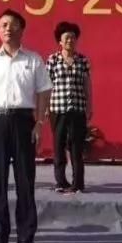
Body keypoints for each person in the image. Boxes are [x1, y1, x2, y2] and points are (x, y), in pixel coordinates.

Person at [0, 9, 52, 243]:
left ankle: (26, 235)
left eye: (13, 24)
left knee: (25, 180)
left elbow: (43, 92)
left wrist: (39, 123)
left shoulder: (33, 60)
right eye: (3, 24)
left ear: (21, 29)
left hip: (23, 121)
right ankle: (0, 234)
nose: (8, 28)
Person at [46, 21, 92, 194]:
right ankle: (60, 181)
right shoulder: (53, 60)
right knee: (58, 146)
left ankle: (78, 183)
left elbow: (87, 85)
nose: (70, 40)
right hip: (57, 108)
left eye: (73, 37)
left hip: (77, 108)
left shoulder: (82, 60)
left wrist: (89, 106)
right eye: (66, 38)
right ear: (60, 41)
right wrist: (45, 107)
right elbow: (46, 85)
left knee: (76, 147)